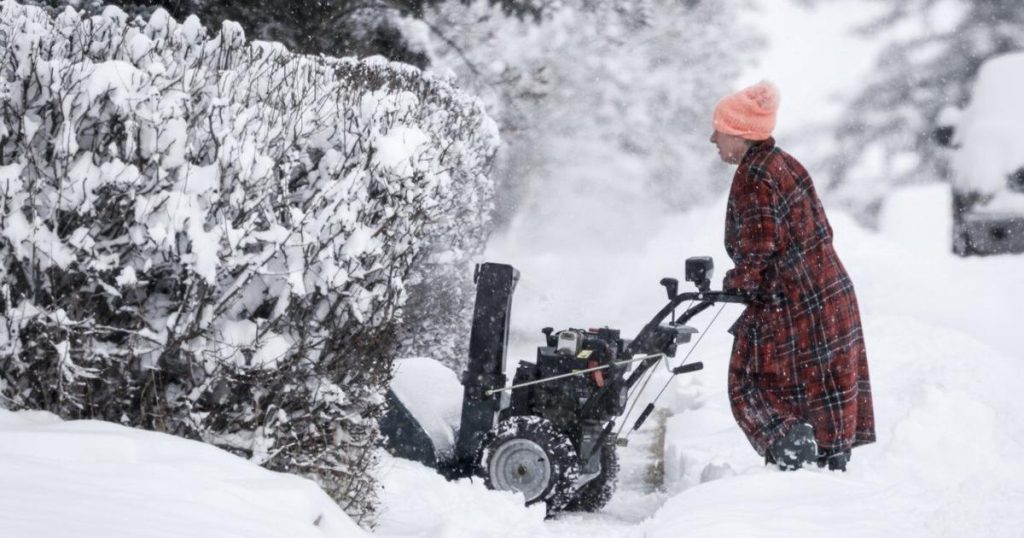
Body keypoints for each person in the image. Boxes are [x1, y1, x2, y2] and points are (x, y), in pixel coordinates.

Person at [709, 81, 875, 471]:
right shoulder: (783, 162)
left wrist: (739, 282)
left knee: (748, 377)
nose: (713, 138)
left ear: (739, 132)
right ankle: (828, 458)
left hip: (795, 298)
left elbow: (761, 244)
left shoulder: (754, 176)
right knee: (820, 380)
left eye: (719, 130)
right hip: (827, 292)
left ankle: (790, 447)